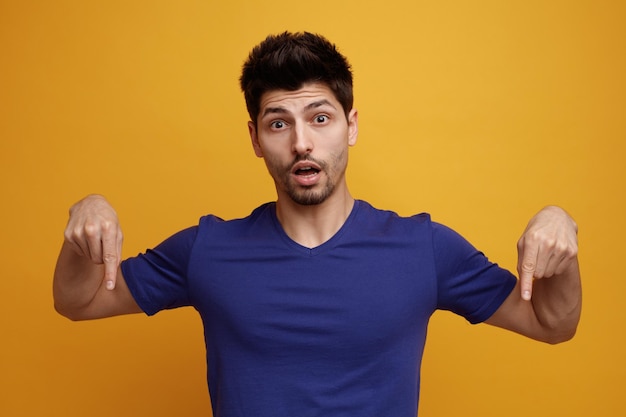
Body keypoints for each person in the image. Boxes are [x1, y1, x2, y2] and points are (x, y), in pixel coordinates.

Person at [53, 32, 582, 417]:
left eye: (320, 117)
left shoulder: (424, 248)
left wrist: (561, 230)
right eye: (278, 122)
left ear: (350, 127)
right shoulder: (207, 249)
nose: (301, 142)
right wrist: (87, 214)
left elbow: (552, 325)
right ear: (256, 139)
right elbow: (77, 302)